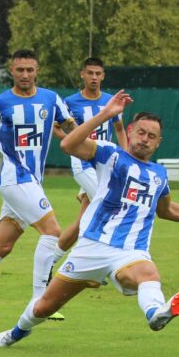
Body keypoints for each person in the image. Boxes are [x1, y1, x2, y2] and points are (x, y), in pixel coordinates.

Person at [0, 91, 179, 348]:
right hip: (91, 247)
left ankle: (155, 313)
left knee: (149, 273)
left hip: (130, 252)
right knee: (43, 308)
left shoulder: (158, 174)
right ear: (129, 131)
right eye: (141, 133)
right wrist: (106, 114)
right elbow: (68, 146)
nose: (145, 140)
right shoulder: (111, 155)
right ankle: (17, 332)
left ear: (159, 142)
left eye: (151, 137)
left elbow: (166, 210)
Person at [0, 49, 76, 316]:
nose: (25, 75)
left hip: (32, 182)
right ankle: (39, 301)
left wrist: (91, 146)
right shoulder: (0, 102)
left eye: (30, 70)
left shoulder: (50, 99)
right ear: (12, 71)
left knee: (3, 246)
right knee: (52, 232)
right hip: (15, 178)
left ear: (37, 71)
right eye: (20, 70)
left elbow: (69, 126)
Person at [55, 57, 128, 267]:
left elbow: (120, 129)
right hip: (83, 164)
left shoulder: (110, 101)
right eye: (90, 73)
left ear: (103, 76)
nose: (94, 77)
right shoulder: (70, 102)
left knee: (82, 221)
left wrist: (126, 161)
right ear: (82, 74)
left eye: (98, 74)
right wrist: (74, 142)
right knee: (108, 207)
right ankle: (87, 264)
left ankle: (50, 261)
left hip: (106, 166)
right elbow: (56, 127)